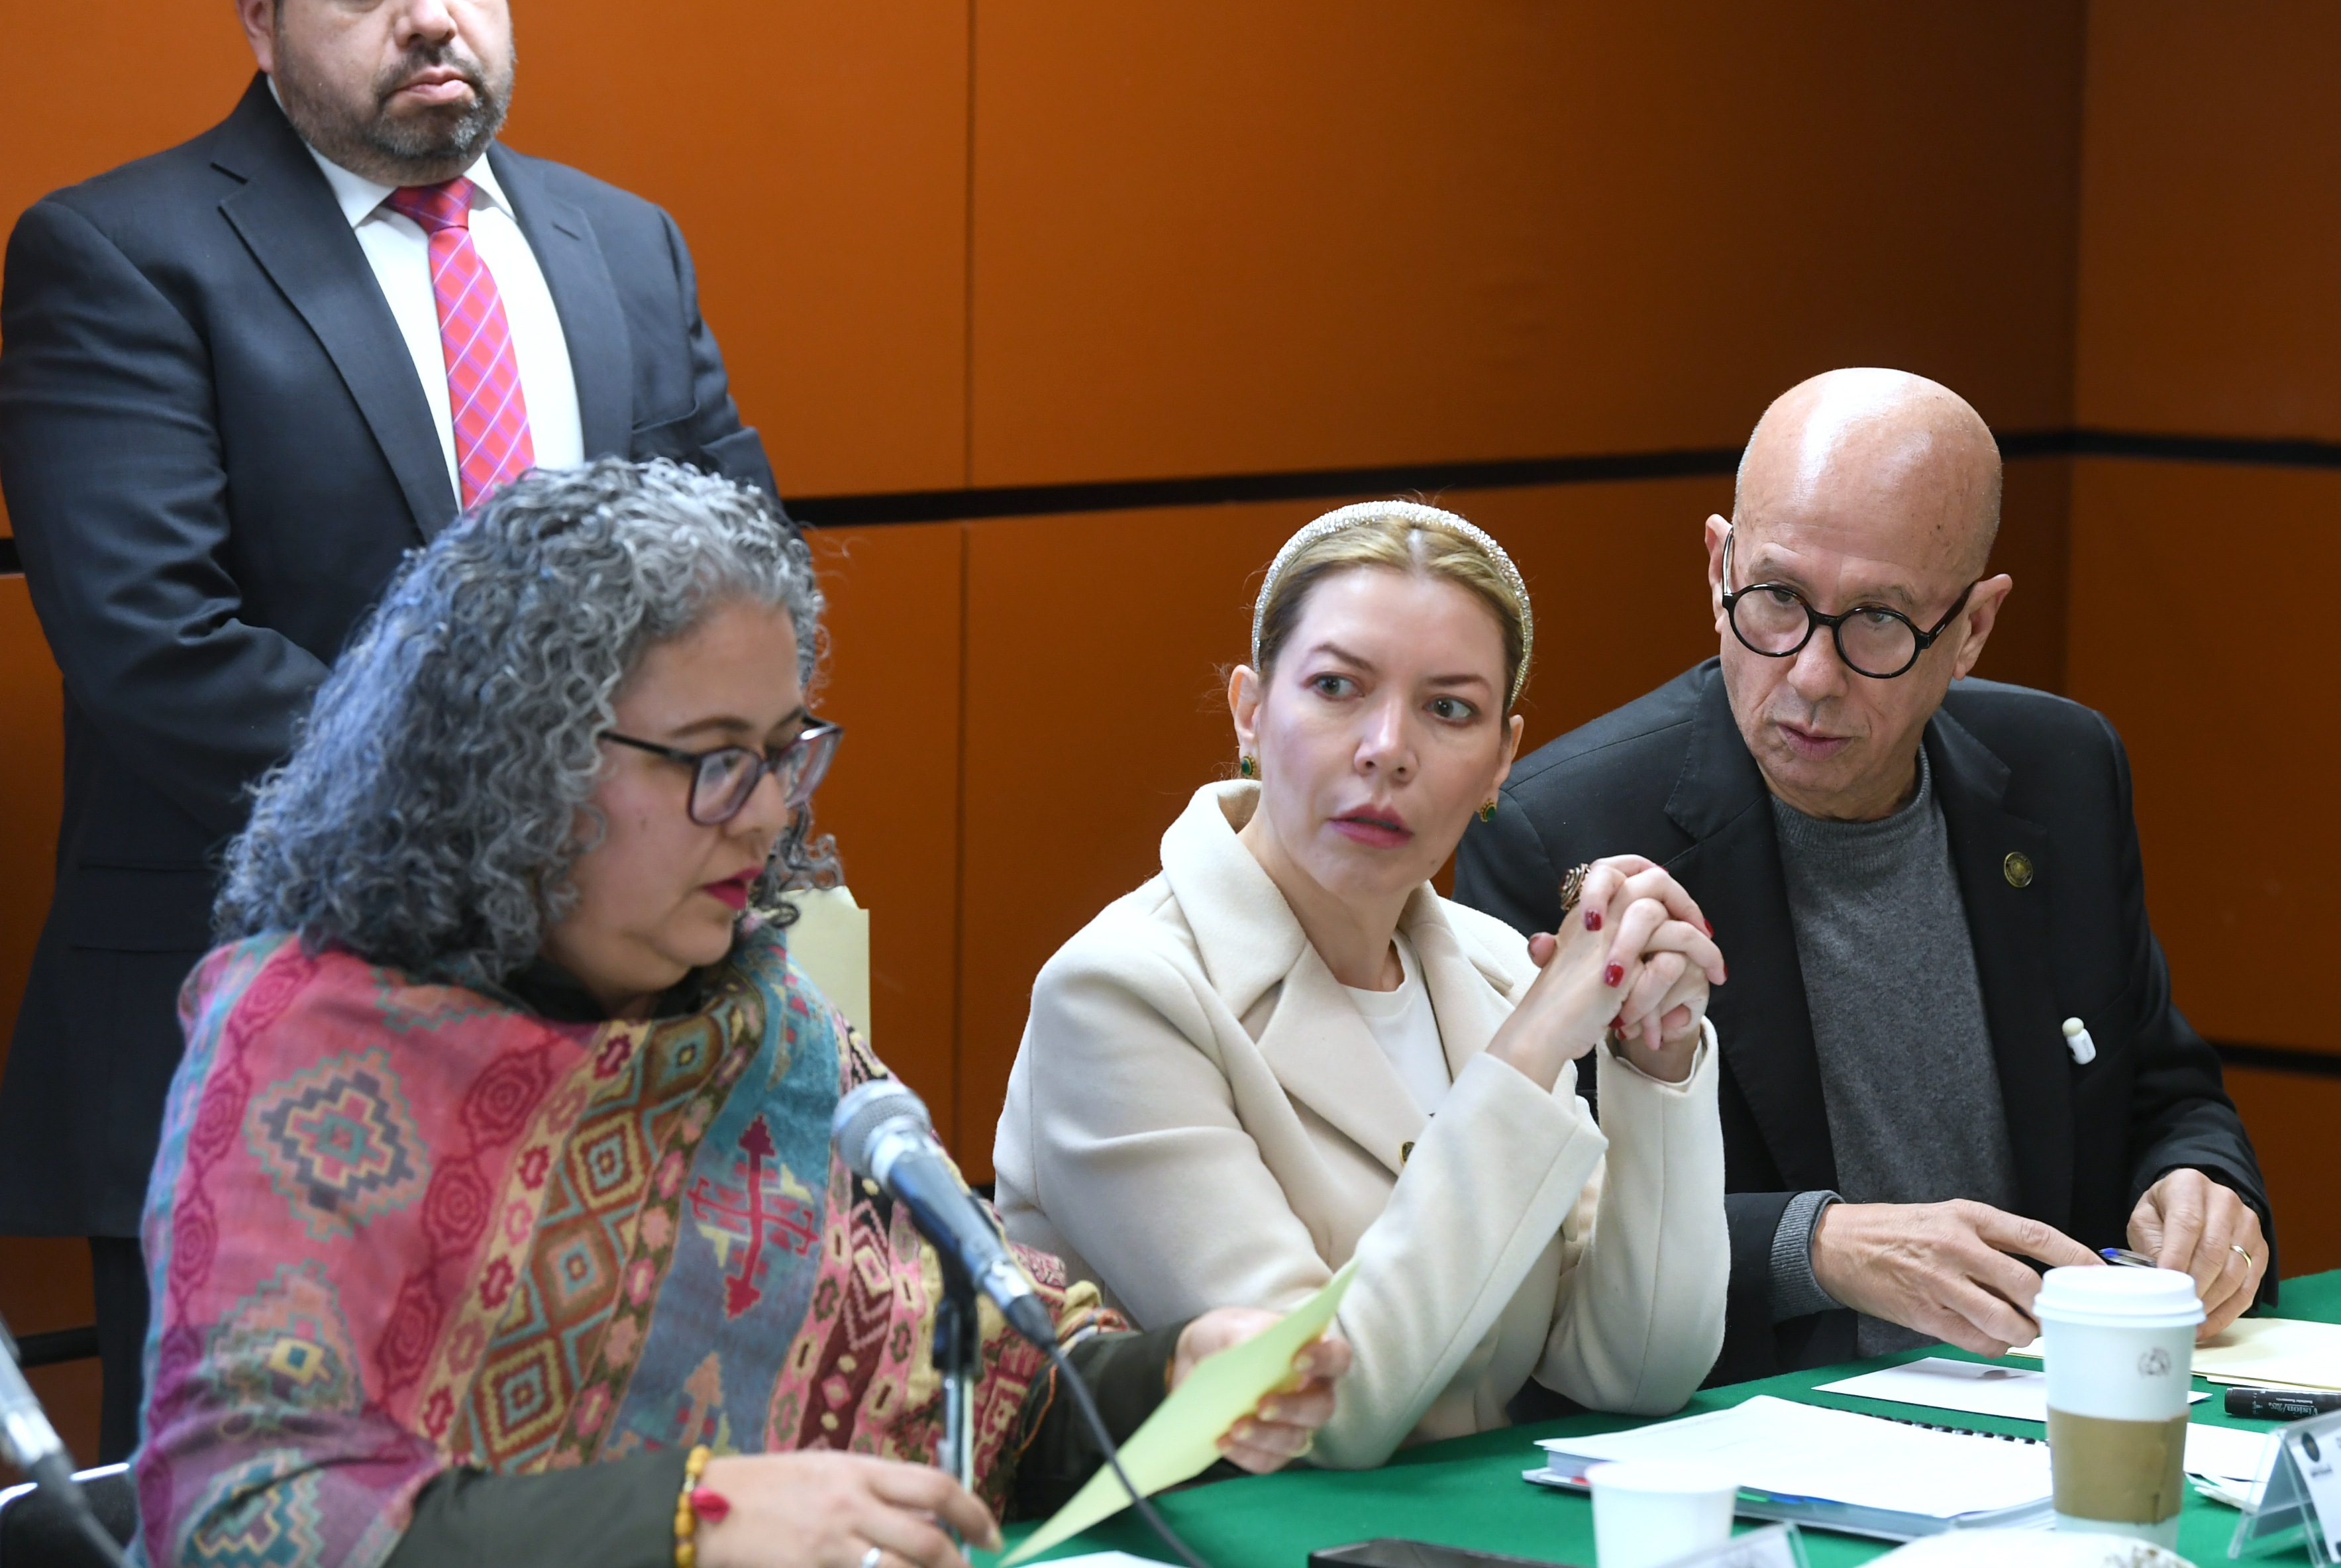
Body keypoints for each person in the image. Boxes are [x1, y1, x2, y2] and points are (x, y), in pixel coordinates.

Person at [134, 460, 1345, 1568]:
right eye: (714, 757)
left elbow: (982, 1403)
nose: (768, 813)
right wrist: (690, 1517)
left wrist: (1166, 1381)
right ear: (520, 757)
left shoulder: (763, 1020)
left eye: (782, 751)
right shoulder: (310, 1047)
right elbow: (237, 1516)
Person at [0, 0, 775, 1455]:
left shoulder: (625, 245)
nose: (430, 14)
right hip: (271, 1040)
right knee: (271, 1515)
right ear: (261, 10)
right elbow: (158, 644)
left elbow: (741, 594)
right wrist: (557, 817)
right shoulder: (124, 256)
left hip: (619, 1044)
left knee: (589, 1509)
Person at [1455, 368, 2273, 1385]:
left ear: (1970, 629)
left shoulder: (2061, 770)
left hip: (2047, 1405)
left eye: (1878, 618)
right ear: (1716, 568)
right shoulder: (1559, 830)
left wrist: (2200, 1184)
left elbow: (2161, 1092)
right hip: (1759, 1424)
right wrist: (1818, 1246)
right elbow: (1536, 1227)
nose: (1810, 675)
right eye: (1776, 599)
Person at [994, 502, 1730, 1469]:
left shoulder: (1496, 969)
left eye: (1448, 709)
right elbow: (1322, 1417)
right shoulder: (1117, 992)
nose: (1388, 747)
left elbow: (1638, 1369)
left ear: (1502, 759)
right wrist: (1536, 1043)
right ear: (1250, 711)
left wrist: (1655, 1060)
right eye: (1336, 687)